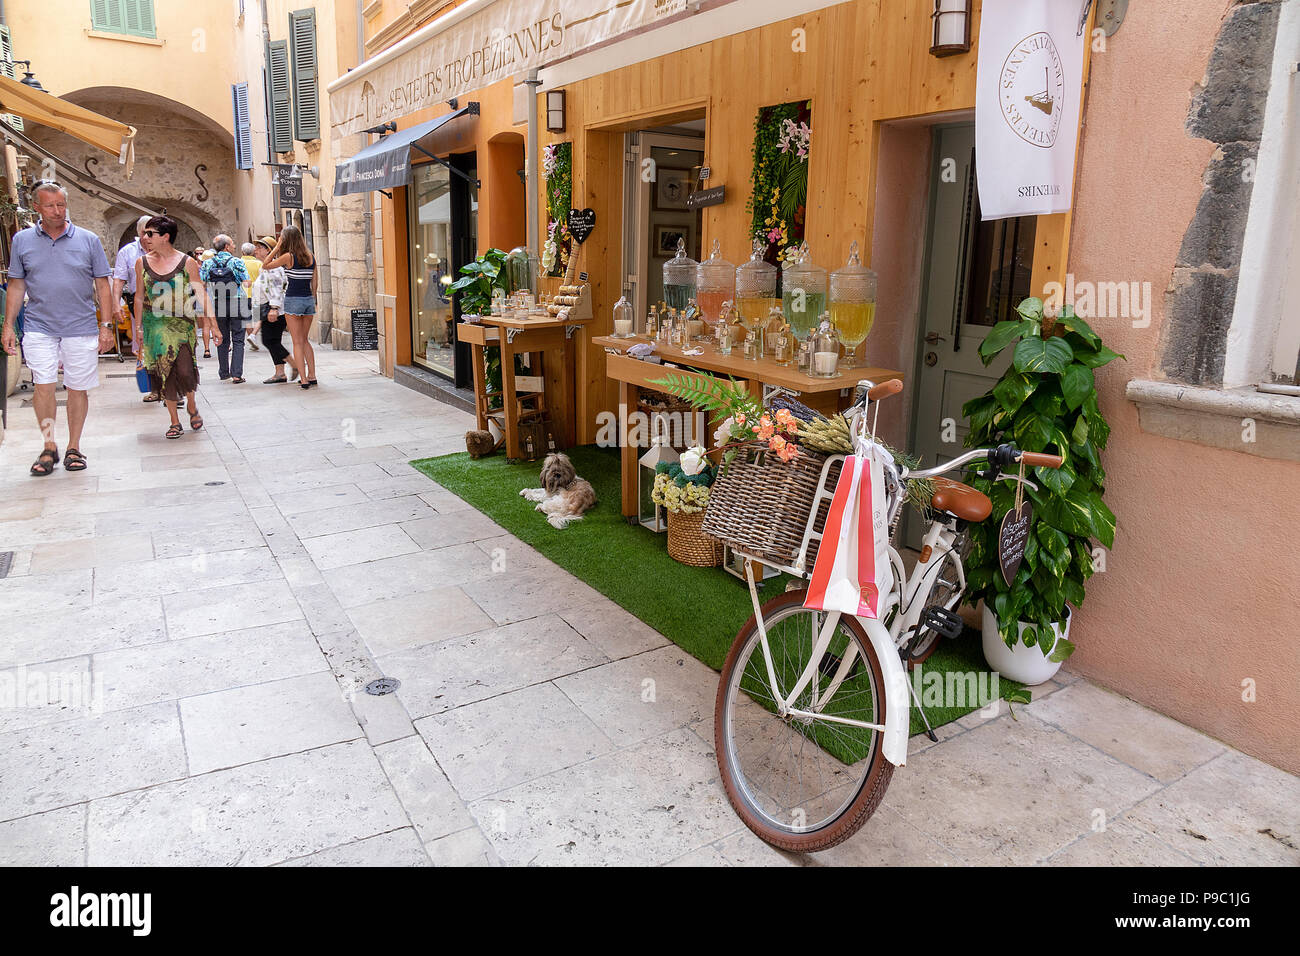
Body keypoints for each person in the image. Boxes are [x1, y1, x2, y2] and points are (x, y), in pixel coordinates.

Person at [1, 182, 115, 475]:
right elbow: (16, 285)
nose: (57, 211)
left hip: (81, 325)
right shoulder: (22, 241)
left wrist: (106, 325)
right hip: (40, 325)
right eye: (50, 206)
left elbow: (103, 285)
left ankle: (74, 447)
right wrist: (8, 326)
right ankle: (49, 446)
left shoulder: (88, 240)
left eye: (61, 205)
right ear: (37, 208)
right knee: (44, 385)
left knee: (78, 387)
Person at [134, 215, 219, 439]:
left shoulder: (186, 262)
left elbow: (201, 293)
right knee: (165, 373)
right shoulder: (141, 263)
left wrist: (214, 324)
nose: (145, 237)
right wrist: (138, 328)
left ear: (165, 237)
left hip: (182, 325)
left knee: (184, 370)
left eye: (150, 233)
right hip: (155, 327)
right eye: (144, 233)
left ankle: (191, 405)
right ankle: (174, 421)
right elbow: (139, 297)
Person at [264, 225, 317, 388]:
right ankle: (312, 375)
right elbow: (314, 281)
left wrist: (277, 247)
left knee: (297, 342)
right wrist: (312, 298)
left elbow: (265, 264)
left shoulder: (288, 257)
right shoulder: (310, 256)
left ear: (286, 239)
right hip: (308, 300)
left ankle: (304, 379)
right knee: (305, 340)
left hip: (293, 300)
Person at [113, 214, 159, 402]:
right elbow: (119, 279)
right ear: (140, 232)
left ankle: (171, 388)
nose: (150, 236)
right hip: (138, 304)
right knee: (146, 345)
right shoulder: (128, 252)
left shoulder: (164, 250)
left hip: (162, 302)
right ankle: (155, 388)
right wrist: (116, 303)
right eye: (147, 232)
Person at [199, 235, 249, 383]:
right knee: (238, 339)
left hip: (218, 303)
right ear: (227, 246)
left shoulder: (208, 263)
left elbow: (201, 283)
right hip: (237, 302)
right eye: (232, 244)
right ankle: (237, 374)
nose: (234, 246)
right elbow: (246, 282)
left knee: (222, 337)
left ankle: (223, 372)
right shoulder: (236, 262)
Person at [249, 235, 296, 383]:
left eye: (259, 247)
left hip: (274, 310)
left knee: (270, 341)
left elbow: (276, 289)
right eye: (255, 247)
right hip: (270, 309)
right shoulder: (266, 268)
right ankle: (280, 373)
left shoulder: (273, 268)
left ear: (269, 250)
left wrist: (274, 308)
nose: (255, 250)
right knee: (273, 340)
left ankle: (295, 365)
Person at [240, 242, 262, 352]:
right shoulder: (258, 263)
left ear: (242, 252)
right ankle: (253, 335)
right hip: (256, 293)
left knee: (246, 318)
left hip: (243, 293)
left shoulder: (238, 262)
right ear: (253, 252)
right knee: (259, 317)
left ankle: (252, 338)